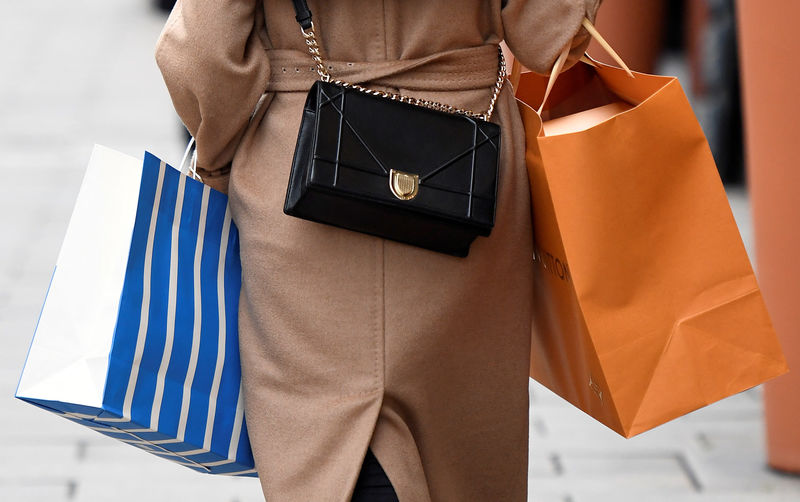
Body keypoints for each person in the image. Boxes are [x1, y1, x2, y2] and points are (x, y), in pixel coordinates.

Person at [155, 1, 600, 500]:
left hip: (303, 178)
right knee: (460, 458)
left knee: (324, 458)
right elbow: (549, 37)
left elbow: (200, 56)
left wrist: (217, 165)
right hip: (462, 172)